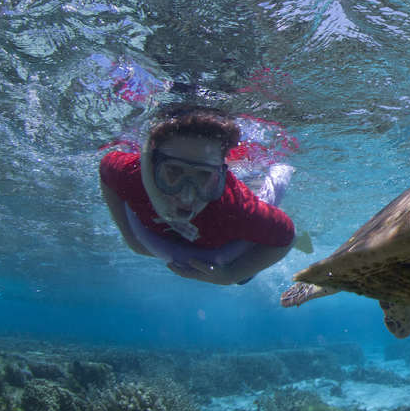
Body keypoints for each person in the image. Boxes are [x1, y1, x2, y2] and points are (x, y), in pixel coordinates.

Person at [99, 104, 295, 285]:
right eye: (173, 171)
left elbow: (287, 237)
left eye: (204, 175)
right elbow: (106, 168)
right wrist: (130, 238)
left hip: (232, 241)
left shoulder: (235, 208)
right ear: (152, 167)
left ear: (221, 174)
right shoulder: (132, 176)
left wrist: (232, 275)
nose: (187, 196)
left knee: (244, 278)